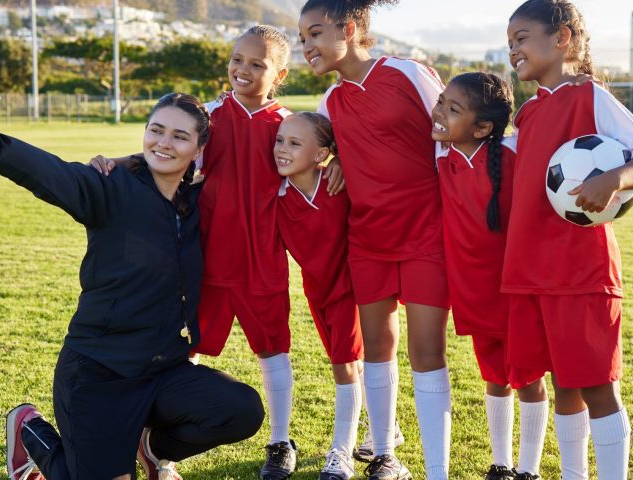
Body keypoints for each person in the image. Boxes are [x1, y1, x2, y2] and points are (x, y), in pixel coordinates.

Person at [0, 90, 265, 480]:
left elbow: (259, 169)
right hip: (98, 375)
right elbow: (48, 172)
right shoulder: (109, 189)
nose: (163, 142)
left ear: (199, 148)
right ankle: (30, 430)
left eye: (180, 137)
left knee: (241, 409)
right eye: (156, 130)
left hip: (164, 372)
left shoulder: (199, 203)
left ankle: (152, 448)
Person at [89, 25, 344, 480]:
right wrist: (117, 161)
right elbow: (163, 151)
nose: (242, 70)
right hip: (201, 263)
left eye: (257, 64)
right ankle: (161, 450)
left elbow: (321, 155)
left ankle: (280, 441)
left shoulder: (286, 126)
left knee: (275, 354)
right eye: (236, 60)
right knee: (185, 355)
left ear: (279, 73)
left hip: (262, 263)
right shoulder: (209, 116)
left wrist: (339, 160)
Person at [504, 1, 633, 479]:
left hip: (580, 271)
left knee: (598, 386)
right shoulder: (530, 113)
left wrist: (615, 178)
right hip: (529, 268)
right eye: (509, 40)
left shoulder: (590, 98)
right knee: (564, 385)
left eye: (522, 37)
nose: (513, 48)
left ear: (562, 40)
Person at [298, 1, 447, 478]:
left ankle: (438, 469)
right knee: (378, 348)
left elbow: (452, 132)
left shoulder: (408, 73)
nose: (307, 47)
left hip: (427, 234)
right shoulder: (329, 104)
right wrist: (338, 156)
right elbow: (320, 149)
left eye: (315, 33)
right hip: (368, 241)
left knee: (427, 352)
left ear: (350, 28)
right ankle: (386, 454)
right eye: (302, 38)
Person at [431, 72, 550, 480]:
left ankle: (528, 469)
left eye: (452, 108)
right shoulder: (439, 157)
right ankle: (500, 464)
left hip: (516, 290)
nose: (440, 112)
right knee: (494, 376)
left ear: (483, 127)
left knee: (528, 378)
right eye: (441, 101)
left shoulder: (514, 157)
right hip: (473, 291)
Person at [272, 112, 364, 480]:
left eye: (295, 144)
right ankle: (386, 430)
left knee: (345, 365)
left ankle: (342, 452)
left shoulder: (338, 182)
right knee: (350, 364)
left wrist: (341, 159)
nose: (281, 149)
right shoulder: (276, 195)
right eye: (280, 140)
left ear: (321, 153)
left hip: (351, 288)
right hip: (317, 289)